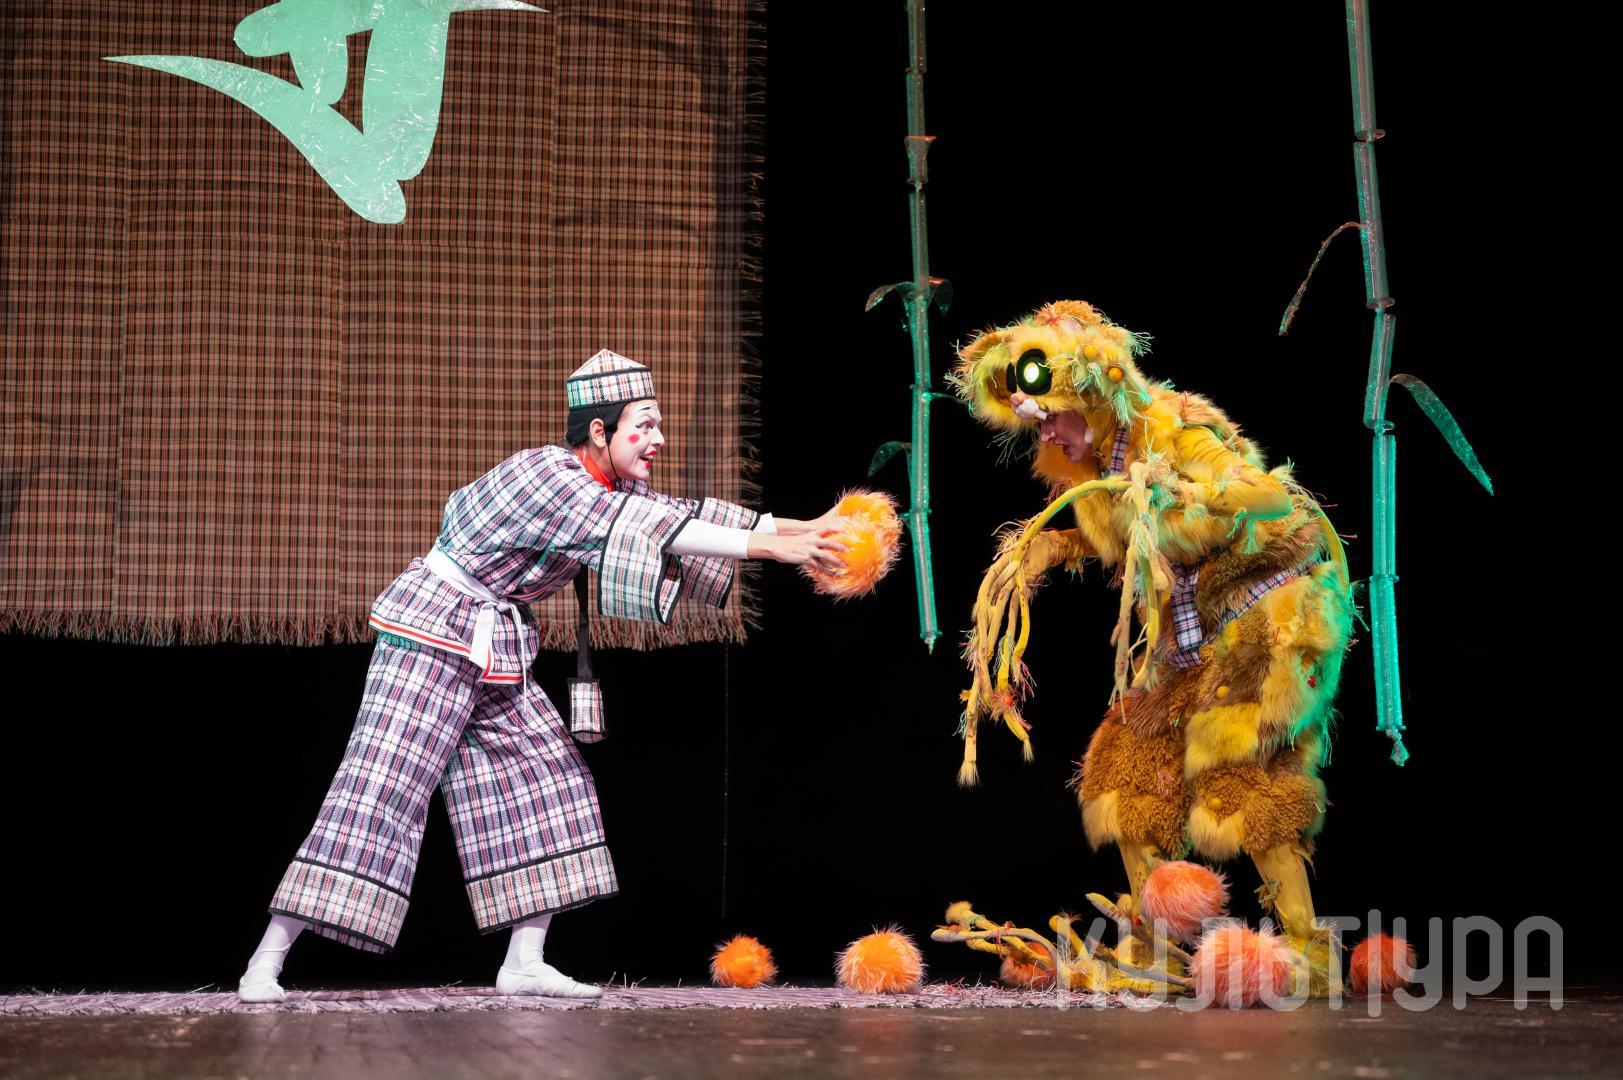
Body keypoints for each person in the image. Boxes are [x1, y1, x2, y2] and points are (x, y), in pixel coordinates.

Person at [237, 349, 843, 1002]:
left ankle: (523, 962)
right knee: (381, 787)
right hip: (433, 633)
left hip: (494, 646)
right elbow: (658, 529)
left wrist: (811, 528)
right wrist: (773, 547)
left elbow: (688, 516)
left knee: (549, 782)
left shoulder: (613, 490)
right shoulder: (548, 476)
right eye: (644, 425)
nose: (658, 440)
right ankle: (264, 963)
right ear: (599, 431)